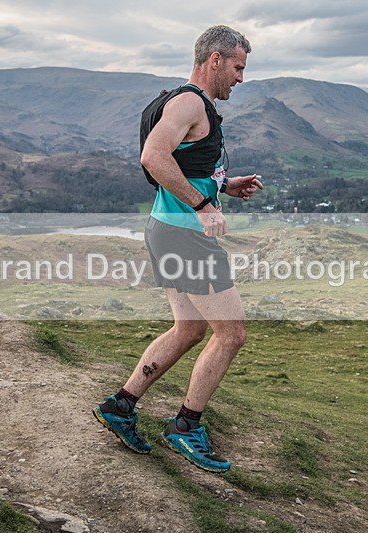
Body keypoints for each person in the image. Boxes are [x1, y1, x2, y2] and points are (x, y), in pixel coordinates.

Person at [93, 25, 263, 473]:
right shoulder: (190, 103)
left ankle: (121, 406)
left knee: (189, 329)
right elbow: (153, 157)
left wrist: (225, 185)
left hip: (166, 228)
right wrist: (204, 206)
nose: (241, 78)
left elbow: (185, 165)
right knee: (232, 334)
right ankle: (185, 427)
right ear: (215, 60)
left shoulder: (181, 101)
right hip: (185, 235)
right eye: (238, 67)